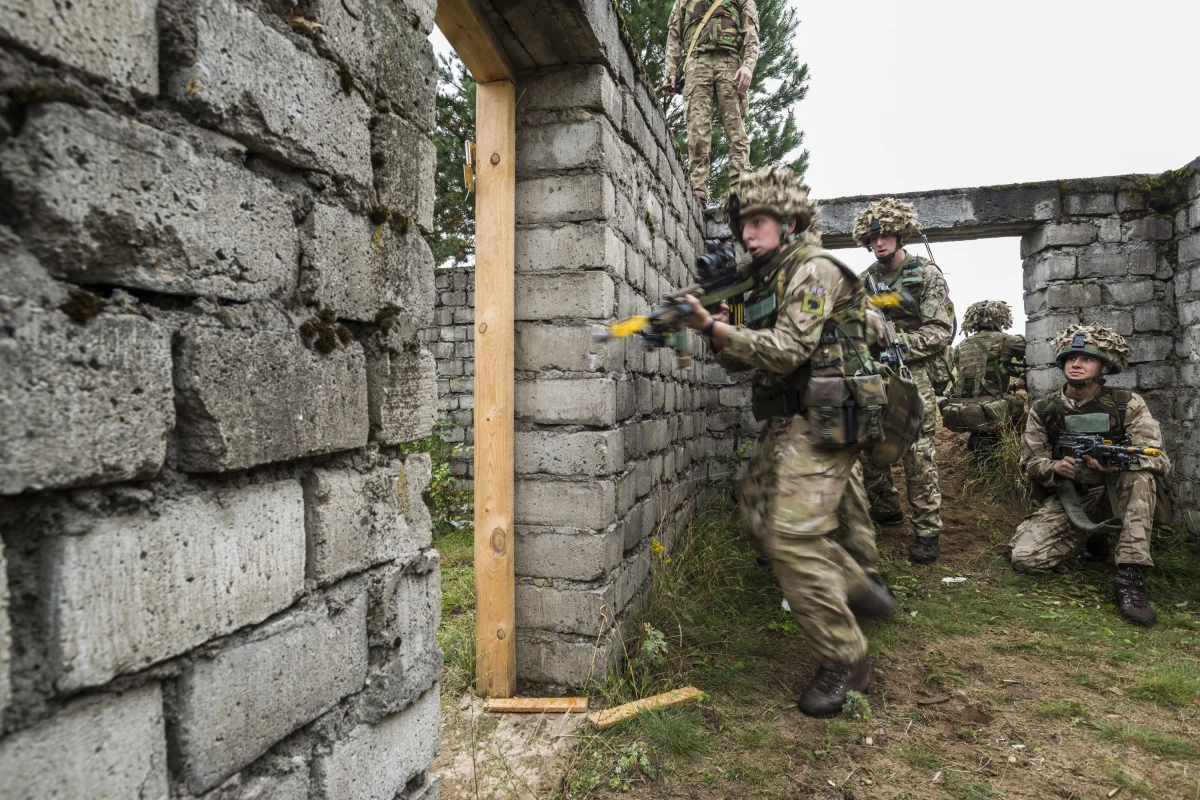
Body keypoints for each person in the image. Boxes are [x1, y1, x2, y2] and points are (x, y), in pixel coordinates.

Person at [680, 166, 896, 717]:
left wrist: (713, 328)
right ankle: (855, 584)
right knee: (756, 513)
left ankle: (845, 659)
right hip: (790, 419)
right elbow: (740, 360)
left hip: (830, 419)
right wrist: (719, 325)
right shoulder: (766, 280)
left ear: (790, 221)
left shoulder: (815, 270)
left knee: (793, 538)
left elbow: (785, 352)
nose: (747, 235)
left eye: (758, 222)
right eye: (742, 226)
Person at [1010, 324, 1169, 626]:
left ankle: (1130, 578)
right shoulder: (1044, 409)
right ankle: (1091, 539)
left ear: (1103, 366)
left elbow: (1156, 458)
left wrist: (1117, 464)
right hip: (1074, 496)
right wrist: (1054, 468)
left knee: (1139, 477)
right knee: (1025, 558)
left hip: (1119, 493)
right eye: (1071, 358)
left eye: (1087, 359)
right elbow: (1030, 462)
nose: (1077, 364)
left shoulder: (1126, 403)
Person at [854, 198, 952, 564]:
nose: (878, 243)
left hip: (914, 370)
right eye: (872, 238)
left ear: (900, 235)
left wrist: (900, 345)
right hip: (872, 371)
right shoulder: (865, 280)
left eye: (885, 236)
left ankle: (927, 531)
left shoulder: (926, 273)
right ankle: (886, 510)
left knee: (917, 450)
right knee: (867, 441)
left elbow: (940, 331)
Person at [663, 0, 759, 202]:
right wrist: (670, 71)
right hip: (696, 63)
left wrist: (748, 65)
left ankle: (741, 195)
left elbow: (751, 31)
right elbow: (674, 34)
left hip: (731, 63)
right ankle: (697, 196)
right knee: (697, 133)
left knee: (736, 133)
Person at [938, 300, 1027, 452]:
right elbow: (1036, 348)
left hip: (964, 408)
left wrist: (1012, 384)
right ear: (1001, 317)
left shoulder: (960, 346)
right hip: (993, 407)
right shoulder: (1007, 341)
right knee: (1030, 418)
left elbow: (974, 378)